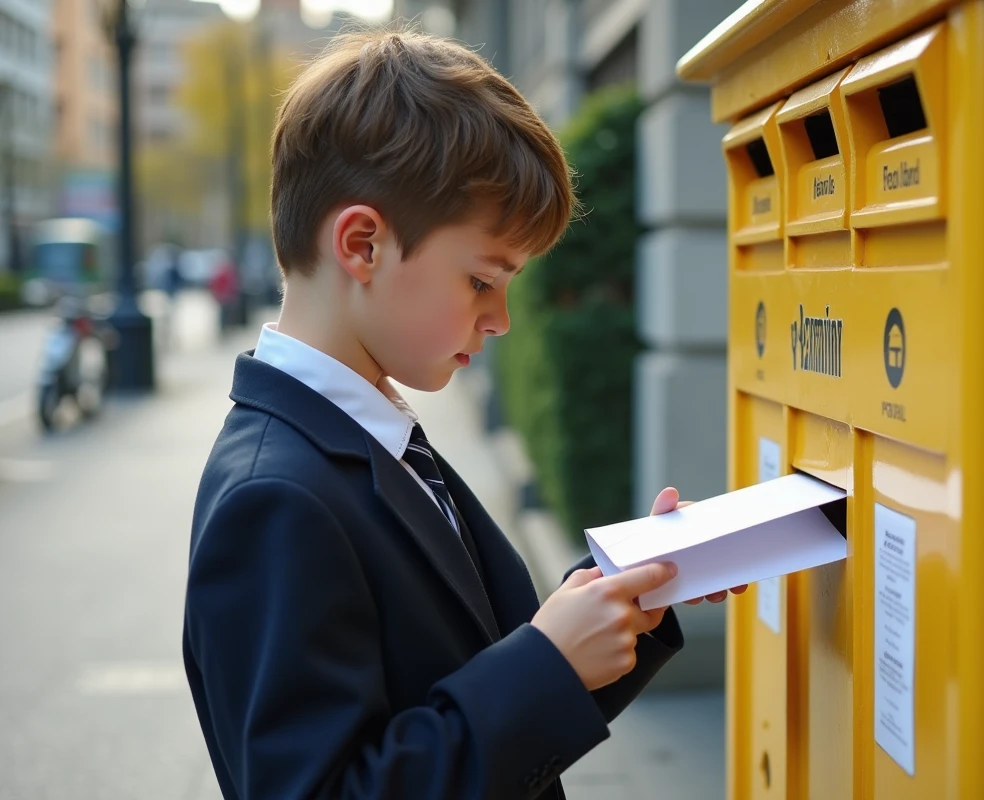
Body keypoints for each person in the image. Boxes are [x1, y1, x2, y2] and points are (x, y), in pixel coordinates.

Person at [182, 28, 744, 800]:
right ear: (362, 244)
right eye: (483, 280)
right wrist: (547, 662)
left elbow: (470, 683)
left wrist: (620, 600)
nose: (501, 319)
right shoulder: (272, 500)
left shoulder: (370, 433)